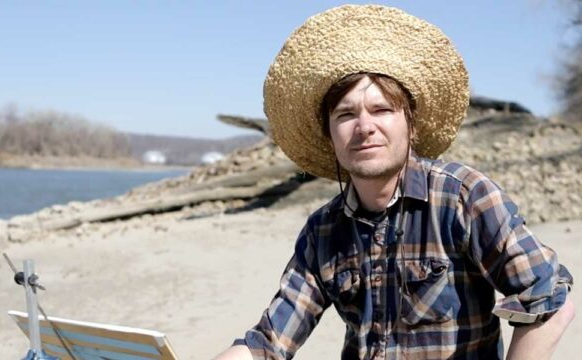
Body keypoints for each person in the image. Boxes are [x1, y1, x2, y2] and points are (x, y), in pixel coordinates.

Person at [215, 5, 575, 360]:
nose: (365, 127)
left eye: (382, 109)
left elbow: (549, 300)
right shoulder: (323, 232)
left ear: (411, 125)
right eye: (345, 114)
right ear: (330, 135)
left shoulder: (463, 198)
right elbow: (268, 344)